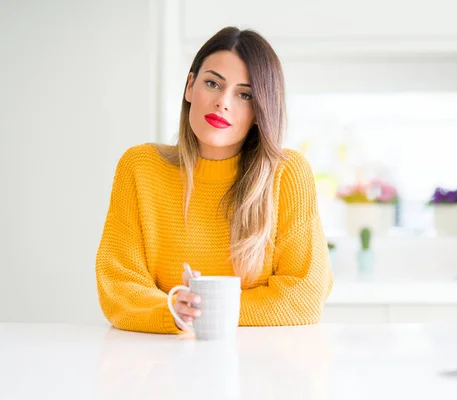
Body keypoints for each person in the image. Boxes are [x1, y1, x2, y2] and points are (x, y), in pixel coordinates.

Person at [95, 26, 334, 334]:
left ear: (260, 112)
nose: (223, 102)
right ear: (190, 86)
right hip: (160, 363)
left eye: (244, 94)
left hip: (263, 368)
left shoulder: (287, 174)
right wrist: (172, 311)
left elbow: (304, 296)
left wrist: (201, 307)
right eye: (212, 83)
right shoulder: (140, 168)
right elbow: (118, 286)